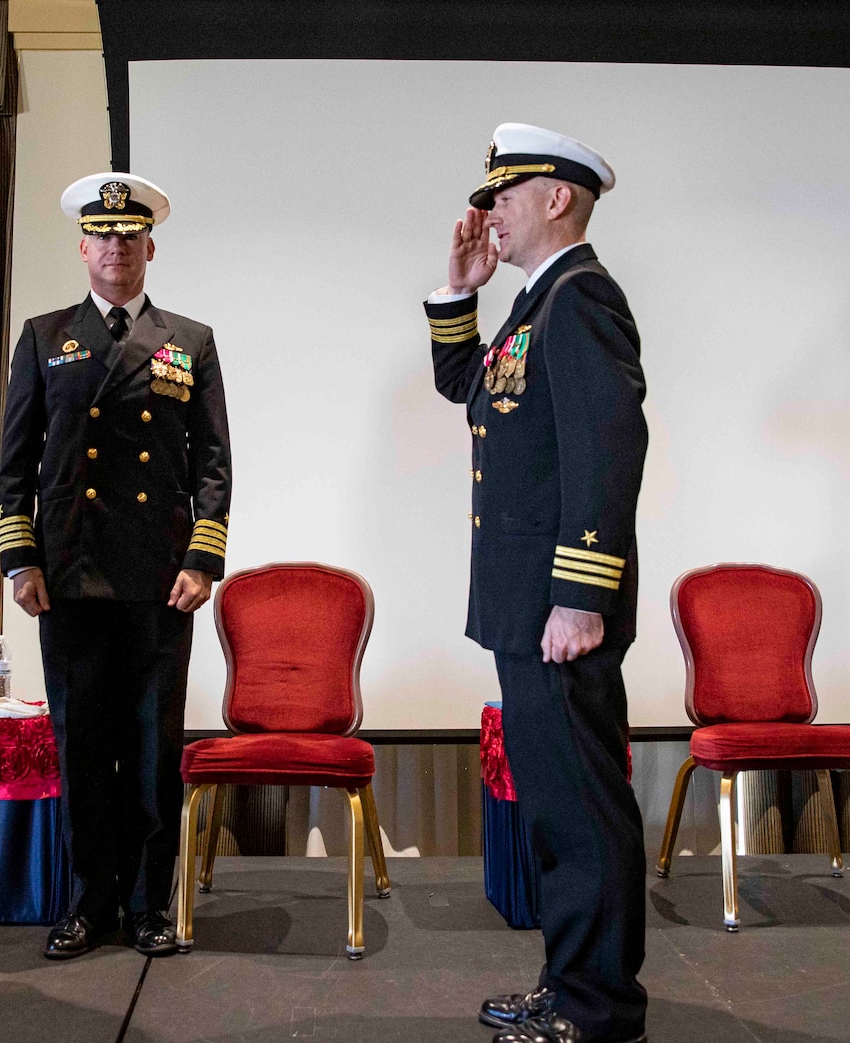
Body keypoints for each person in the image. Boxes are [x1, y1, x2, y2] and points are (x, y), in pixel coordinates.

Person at [424, 125, 649, 1043]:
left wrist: (582, 596)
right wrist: (459, 293)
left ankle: (600, 1009)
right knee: (558, 807)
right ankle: (569, 984)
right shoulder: (534, 302)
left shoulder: (582, 298)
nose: (489, 213)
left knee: (583, 812)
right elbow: (464, 388)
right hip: (528, 607)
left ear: (558, 198)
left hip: (559, 610)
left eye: (504, 196)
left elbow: (608, 451)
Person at [0, 173, 232, 959]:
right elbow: (14, 465)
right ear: (83, 247)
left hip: (159, 580)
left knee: (154, 748)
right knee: (82, 744)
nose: (116, 247)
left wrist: (204, 560)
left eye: (130, 236)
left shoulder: (187, 340)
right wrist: (19, 559)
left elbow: (213, 465)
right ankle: (87, 902)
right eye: (103, 235)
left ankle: (148, 906)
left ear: (149, 248)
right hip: (68, 575)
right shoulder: (43, 335)